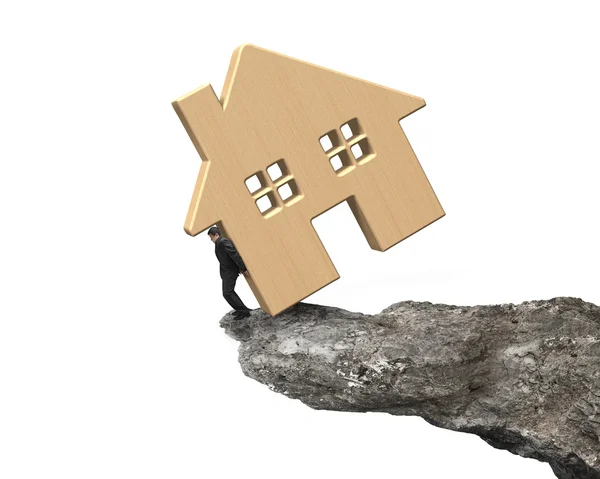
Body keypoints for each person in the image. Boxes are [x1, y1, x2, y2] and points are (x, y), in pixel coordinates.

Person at [207, 226, 252, 320]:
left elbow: (234, 255)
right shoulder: (219, 242)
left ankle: (244, 312)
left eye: (211, 237)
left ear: (216, 235)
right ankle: (240, 310)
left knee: (227, 293)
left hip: (230, 271)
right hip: (226, 271)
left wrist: (244, 269)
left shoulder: (223, 241)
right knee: (227, 293)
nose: (211, 240)